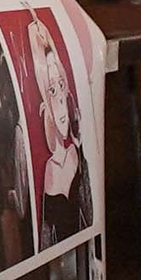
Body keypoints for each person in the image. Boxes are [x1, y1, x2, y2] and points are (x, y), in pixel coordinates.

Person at [24, 17, 92, 249]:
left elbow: (91, 218)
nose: (61, 101)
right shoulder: (49, 169)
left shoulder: (76, 152)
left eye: (61, 86)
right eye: (52, 90)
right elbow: (44, 241)